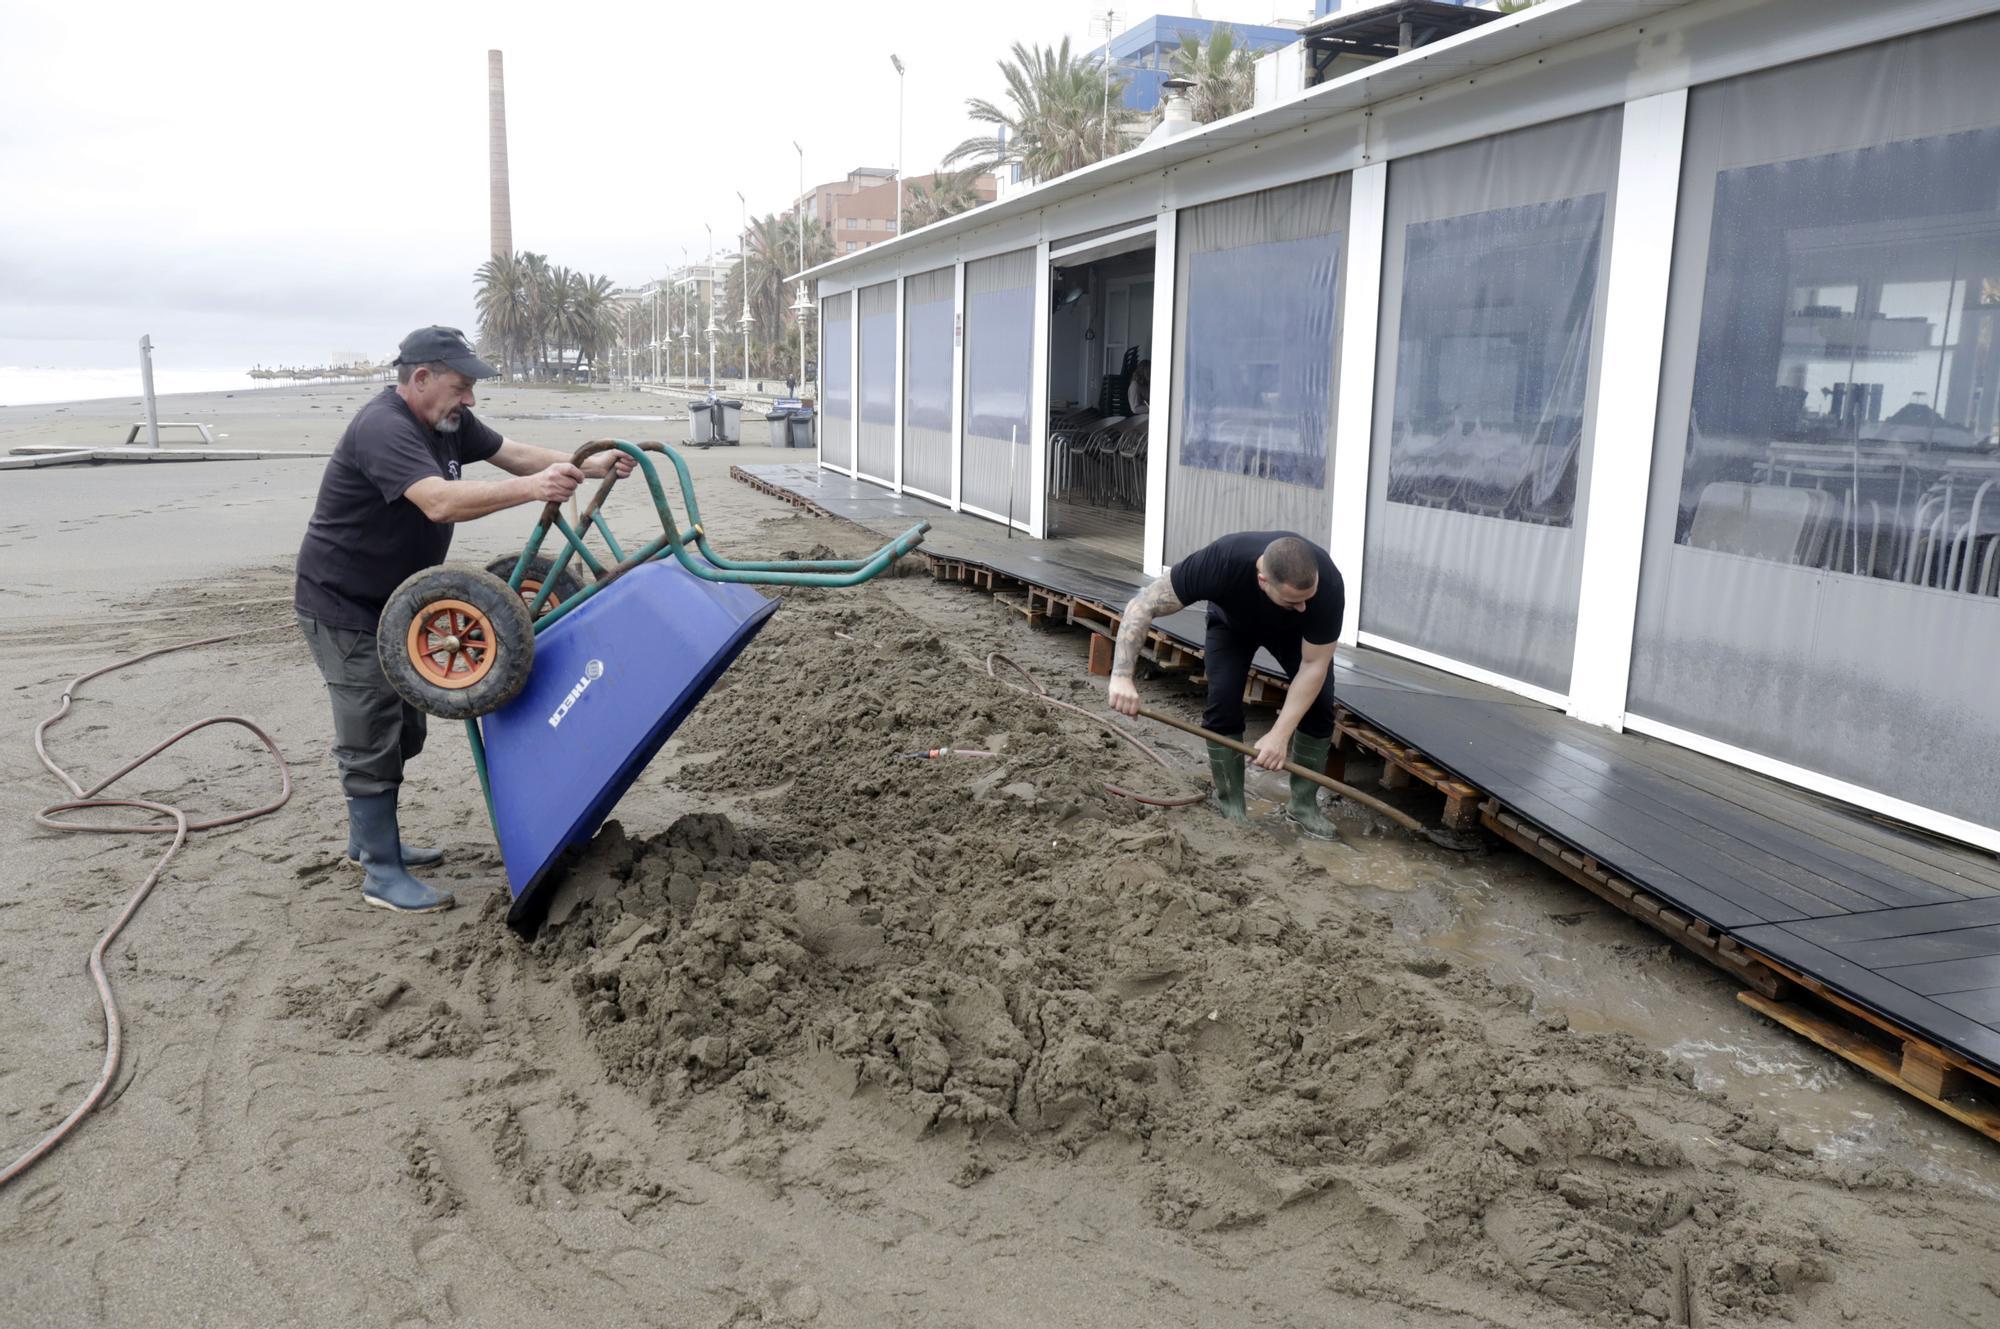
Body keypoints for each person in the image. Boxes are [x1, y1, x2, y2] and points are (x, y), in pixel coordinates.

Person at [294, 326, 633, 914]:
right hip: (344, 604)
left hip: (404, 604)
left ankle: (366, 838)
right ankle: (379, 870)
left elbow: (513, 454)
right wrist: (533, 490)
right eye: (461, 386)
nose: (470, 400)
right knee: (371, 734)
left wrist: (588, 462)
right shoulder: (385, 428)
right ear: (420, 378)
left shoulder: (447, 423)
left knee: (407, 730)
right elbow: (438, 501)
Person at [1108, 532, 1343, 840]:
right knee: (1223, 702)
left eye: (1307, 599)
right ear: (1262, 581)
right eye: (1292, 600)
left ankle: (1303, 806)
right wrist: (1122, 676)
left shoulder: (1327, 584)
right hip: (1232, 626)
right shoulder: (1221, 561)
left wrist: (1278, 735)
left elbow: (1314, 665)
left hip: (1292, 636)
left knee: (1320, 705)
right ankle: (1232, 805)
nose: (1303, 607)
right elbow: (1142, 605)